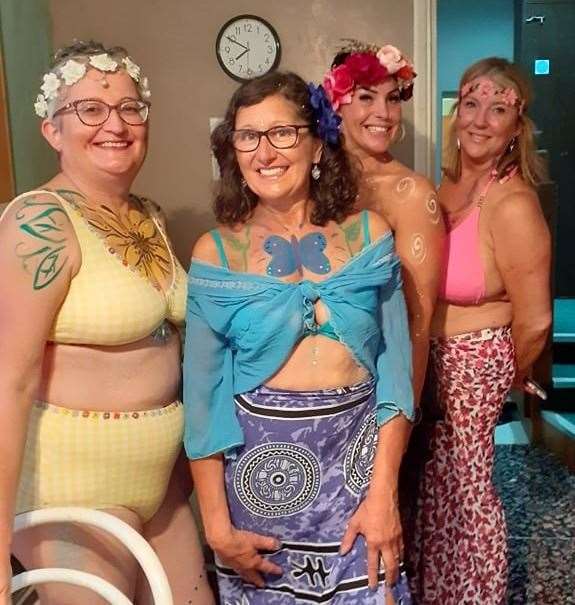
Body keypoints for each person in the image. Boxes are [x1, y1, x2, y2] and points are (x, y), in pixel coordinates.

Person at [184, 71, 416, 603]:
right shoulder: (213, 254)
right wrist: (218, 529)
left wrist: (385, 493)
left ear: (315, 142)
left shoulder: (370, 235)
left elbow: (396, 375)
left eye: (282, 132)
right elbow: (202, 402)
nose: (264, 151)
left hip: (358, 482)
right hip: (259, 492)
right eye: (248, 136)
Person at [0, 41, 213, 604]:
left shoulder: (149, 214)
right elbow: (8, 382)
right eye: (90, 109)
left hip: (161, 489)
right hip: (73, 488)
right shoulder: (37, 222)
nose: (114, 124)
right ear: (53, 130)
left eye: (129, 108)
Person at [410, 57, 551, 604]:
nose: (481, 120)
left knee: (466, 493)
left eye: (499, 110)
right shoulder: (443, 188)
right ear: (456, 112)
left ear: (517, 127)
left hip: (474, 361)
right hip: (432, 361)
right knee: (432, 489)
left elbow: (536, 318)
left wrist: (502, 373)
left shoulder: (512, 203)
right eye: (472, 105)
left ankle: (474, 594)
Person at [324, 40, 445, 404]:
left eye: (393, 99)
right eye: (366, 97)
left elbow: (418, 323)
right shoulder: (307, 178)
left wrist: (402, 418)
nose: (384, 112)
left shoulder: (410, 193)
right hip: (311, 384)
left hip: (376, 387)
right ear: (336, 101)